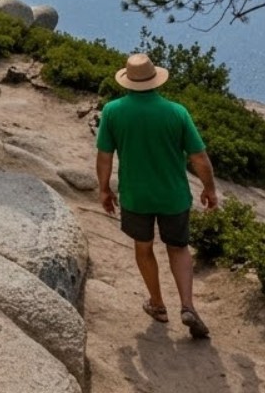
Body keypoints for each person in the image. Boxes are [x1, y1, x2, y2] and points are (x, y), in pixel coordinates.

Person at [95, 53, 219, 339]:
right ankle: (187, 306)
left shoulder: (113, 111)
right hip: (173, 196)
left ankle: (158, 304)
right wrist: (209, 189)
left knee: (144, 247)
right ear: (155, 80)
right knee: (178, 248)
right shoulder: (177, 112)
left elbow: (104, 155)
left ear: (127, 81)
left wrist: (104, 189)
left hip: (135, 197)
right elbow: (199, 157)